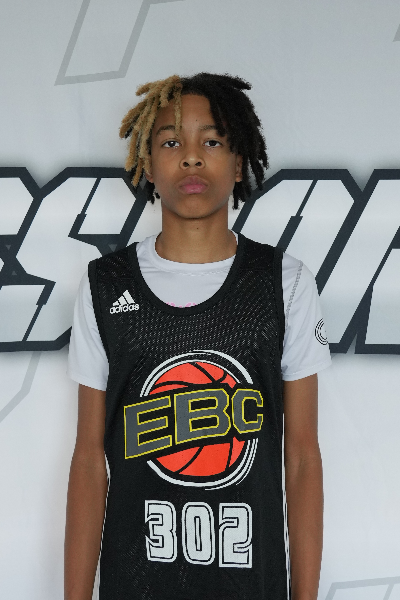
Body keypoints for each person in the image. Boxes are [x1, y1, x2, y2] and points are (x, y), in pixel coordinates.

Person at [65, 73, 331, 600]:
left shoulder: (285, 282)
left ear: (238, 162)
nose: (191, 158)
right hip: (136, 584)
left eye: (211, 142)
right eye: (171, 142)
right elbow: (89, 459)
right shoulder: (106, 285)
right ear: (148, 165)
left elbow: (302, 458)